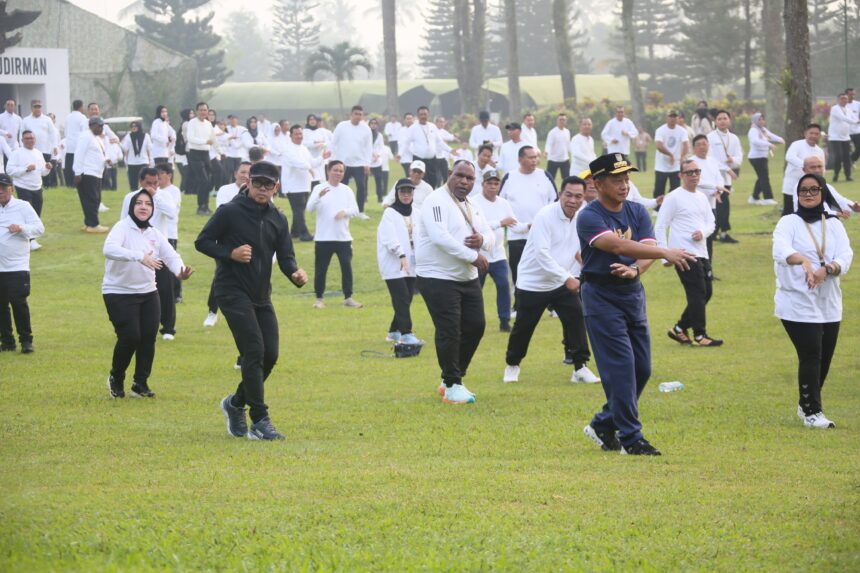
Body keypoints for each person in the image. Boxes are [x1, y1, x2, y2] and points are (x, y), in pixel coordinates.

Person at [578, 153, 696, 456]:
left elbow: (647, 247)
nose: (624, 185)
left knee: (641, 369)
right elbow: (616, 245)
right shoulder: (589, 216)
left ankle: (603, 423)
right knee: (620, 368)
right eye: (617, 179)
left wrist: (636, 270)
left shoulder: (636, 211)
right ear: (598, 183)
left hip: (631, 294)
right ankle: (631, 439)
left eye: (627, 178)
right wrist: (666, 253)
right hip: (600, 296)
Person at [195, 161, 309, 441]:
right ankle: (259, 419)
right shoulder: (229, 212)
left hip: (261, 295)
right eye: (256, 183)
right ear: (248, 183)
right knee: (254, 351)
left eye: (267, 185)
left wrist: (295, 272)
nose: (261, 189)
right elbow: (203, 241)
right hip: (231, 291)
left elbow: (285, 257)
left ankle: (235, 403)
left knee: (270, 355)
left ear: (276, 188)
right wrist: (230, 253)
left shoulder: (278, 219)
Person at [773, 173, 853, 428]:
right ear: (797, 195)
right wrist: (805, 262)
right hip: (796, 302)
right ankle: (812, 413)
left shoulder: (833, 223)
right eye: (803, 190)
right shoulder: (789, 222)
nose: (808, 194)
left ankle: (806, 401)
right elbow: (781, 250)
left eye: (814, 189)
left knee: (825, 357)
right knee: (811, 354)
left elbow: (846, 254)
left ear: (822, 193)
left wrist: (827, 269)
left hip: (829, 302)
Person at [502, 175, 599, 384]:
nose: (573, 200)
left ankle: (580, 368)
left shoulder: (582, 216)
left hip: (560, 281)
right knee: (523, 327)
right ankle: (512, 365)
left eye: (578, 196)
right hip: (533, 283)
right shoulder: (545, 215)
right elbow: (542, 254)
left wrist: (590, 268)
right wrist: (568, 278)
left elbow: (577, 249)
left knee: (576, 319)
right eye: (568, 195)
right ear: (560, 194)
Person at [417, 160, 494, 405]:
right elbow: (440, 237)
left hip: (466, 277)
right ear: (450, 174)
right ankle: (453, 385)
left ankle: (451, 378)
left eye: (470, 179)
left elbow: (491, 235)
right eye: (459, 176)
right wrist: (473, 256)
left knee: (475, 326)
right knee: (450, 330)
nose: (464, 182)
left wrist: (482, 239)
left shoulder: (472, 205)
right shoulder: (436, 200)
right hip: (437, 276)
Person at [103, 189, 193, 398]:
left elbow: (171, 255)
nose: (144, 207)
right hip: (118, 292)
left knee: (148, 337)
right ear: (132, 207)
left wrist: (180, 271)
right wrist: (138, 256)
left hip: (148, 292)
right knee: (130, 336)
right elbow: (109, 249)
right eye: (139, 203)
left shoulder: (154, 233)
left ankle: (140, 383)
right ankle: (116, 377)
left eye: (148, 204)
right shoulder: (122, 227)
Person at [657, 158, 722, 347]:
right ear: (680, 175)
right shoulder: (674, 197)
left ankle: (679, 329)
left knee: (706, 293)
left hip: (701, 252)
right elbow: (660, 226)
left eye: (696, 171)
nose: (694, 175)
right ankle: (700, 335)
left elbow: (711, 222)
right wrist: (665, 255)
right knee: (697, 293)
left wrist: (703, 232)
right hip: (683, 254)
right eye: (689, 172)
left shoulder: (702, 197)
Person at [499, 146, 557, 309]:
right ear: (520, 160)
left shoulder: (544, 175)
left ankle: (551, 305)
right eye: (530, 157)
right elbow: (500, 202)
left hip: (542, 234)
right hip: (516, 235)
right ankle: (519, 305)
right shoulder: (510, 177)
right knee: (518, 271)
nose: (534, 160)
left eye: (535, 157)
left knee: (547, 268)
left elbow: (555, 201)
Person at [307, 160, 362, 309]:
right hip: (323, 238)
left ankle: (348, 298)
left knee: (346, 268)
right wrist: (319, 196)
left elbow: (355, 210)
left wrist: (345, 212)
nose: (338, 173)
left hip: (343, 237)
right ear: (328, 171)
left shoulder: (347, 190)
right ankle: (319, 299)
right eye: (335, 170)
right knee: (321, 269)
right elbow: (309, 208)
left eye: (341, 171)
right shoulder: (319, 188)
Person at [204, 161, 252, 329]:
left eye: (249, 173)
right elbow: (222, 212)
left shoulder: (258, 191)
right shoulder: (225, 190)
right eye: (243, 172)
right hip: (226, 243)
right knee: (221, 275)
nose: (245, 175)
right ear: (235, 173)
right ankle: (212, 312)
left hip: (249, 242)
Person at [0, 173, 44, 354]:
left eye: (3, 188)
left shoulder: (22, 206)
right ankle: (7, 341)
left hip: (17, 266)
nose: (0, 192)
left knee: (19, 303)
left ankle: (26, 340)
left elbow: (39, 228)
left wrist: (21, 228)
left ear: (11, 188)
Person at [472, 169, 520, 332]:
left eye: (496, 183)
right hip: (479, 255)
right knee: (476, 290)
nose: (493, 186)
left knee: (503, 286)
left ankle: (504, 321)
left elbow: (514, 223)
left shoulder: (503, 203)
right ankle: (474, 321)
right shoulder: (474, 202)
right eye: (489, 183)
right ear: (482, 184)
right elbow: (477, 227)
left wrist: (529, 226)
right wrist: (500, 223)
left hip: (498, 255)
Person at [377, 178, 424, 344]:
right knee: (402, 297)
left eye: (409, 191)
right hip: (394, 263)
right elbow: (389, 238)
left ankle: (393, 332)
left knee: (407, 297)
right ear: (397, 194)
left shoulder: (417, 213)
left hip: (412, 263)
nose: (406, 195)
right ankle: (406, 334)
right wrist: (401, 255)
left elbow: (421, 237)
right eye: (402, 191)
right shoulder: (389, 213)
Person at [281, 124, 327, 242]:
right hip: (292, 185)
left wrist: (323, 157)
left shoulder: (304, 148)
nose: (299, 136)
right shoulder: (287, 148)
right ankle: (304, 234)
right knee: (298, 210)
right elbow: (295, 162)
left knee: (299, 209)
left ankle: (294, 232)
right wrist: (309, 167)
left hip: (304, 184)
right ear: (290, 135)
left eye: (300, 134)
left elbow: (313, 162)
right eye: (296, 134)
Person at [6, 130, 49, 250]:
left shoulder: (38, 153)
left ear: (35, 140)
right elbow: (10, 170)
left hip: (37, 187)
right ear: (22, 140)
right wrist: (25, 169)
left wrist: (48, 168)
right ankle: (30, 240)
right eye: (27, 138)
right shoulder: (17, 153)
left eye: (32, 138)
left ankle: (32, 237)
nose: (30, 140)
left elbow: (43, 172)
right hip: (23, 186)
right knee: (26, 214)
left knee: (36, 213)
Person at [690, 135, 727, 262]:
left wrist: (718, 189)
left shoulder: (712, 161)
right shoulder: (691, 162)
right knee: (699, 238)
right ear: (694, 148)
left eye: (704, 144)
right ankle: (699, 267)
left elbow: (719, 178)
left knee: (710, 237)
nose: (702, 147)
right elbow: (697, 181)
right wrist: (714, 188)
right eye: (698, 144)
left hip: (712, 205)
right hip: (697, 206)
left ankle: (708, 269)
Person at [707, 110, 743, 243]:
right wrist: (727, 169)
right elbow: (710, 158)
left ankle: (721, 232)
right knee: (717, 206)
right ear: (715, 121)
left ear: (729, 120)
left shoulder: (734, 138)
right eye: (719, 119)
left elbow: (739, 157)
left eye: (725, 118)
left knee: (724, 206)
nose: (722, 121)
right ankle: (717, 232)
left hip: (727, 179)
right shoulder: (710, 137)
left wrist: (732, 160)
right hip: (713, 178)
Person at [332, 105, 373, 219]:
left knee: (361, 186)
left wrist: (367, 163)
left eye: (360, 114)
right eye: (356, 114)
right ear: (351, 114)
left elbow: (368, 147)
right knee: (342, 187)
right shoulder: (342, 126)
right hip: (343, 163)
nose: (358, 116)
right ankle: (343, 210)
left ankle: (360, 211)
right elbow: (333, 143)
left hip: (359, 164)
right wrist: (335, 160)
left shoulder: (366, 128)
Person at [73, 116, 111, 233]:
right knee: (92, 200)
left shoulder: (96, 138)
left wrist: (105, 160)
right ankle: (94, 225)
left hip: (96, 173)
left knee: (94, 199)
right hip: (88, 173)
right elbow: (79, 154)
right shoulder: (86, 136)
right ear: (91, 126)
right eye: (98, 126)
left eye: (102, 126)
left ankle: (89, 223)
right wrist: (78, 172)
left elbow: (96, 154)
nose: (101, 128)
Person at [399, 106, 449, 189]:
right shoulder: (413, 128)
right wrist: (399, 154)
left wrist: (450, 150)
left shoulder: (432, 126)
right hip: (419, 159)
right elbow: (405, 143)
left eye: (425, 114)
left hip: (432, 159)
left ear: (428, 115)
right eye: (421, 114)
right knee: (419, 181)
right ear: (418, 116)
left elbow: (439, 141)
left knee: (434, 181)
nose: (423, 116)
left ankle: (431, 199)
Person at [782, 124, 825, 216]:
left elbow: (822, 168)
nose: (813, 135)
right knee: (788, 213)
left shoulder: (820, 151)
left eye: (816, 134)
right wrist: (807, 166)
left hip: (810, 190)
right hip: (791, 185)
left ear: (819, 136)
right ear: (806, 133)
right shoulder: (797, 144)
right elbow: (789, 157)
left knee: (807, 214)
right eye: (811, 133)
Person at [747, 112, 784, 206]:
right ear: (755, 121)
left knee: (761, 177)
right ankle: (768, 198)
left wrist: (780, 139)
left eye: (762, 119)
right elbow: (755, 141)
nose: (762, 121)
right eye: (759, 119)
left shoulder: (763, 130)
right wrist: (769, 144)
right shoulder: (753, 130)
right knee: (764, 177)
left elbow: (771, 135)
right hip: (756, 157)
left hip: (762, 157)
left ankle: (754, 197)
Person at [653, 110, 690, 200]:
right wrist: (670, 155)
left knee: (675, 188)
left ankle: (671, 205)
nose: (673, 118)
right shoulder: (660, 130)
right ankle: (657, 208)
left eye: (675, 116)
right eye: (671, 116)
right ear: (667, 118)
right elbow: (658, 145)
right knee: (659, 189)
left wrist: (682, 156)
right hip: (661, 165)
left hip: (676, 166)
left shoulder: (682, 131)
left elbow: (686, 145)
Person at [21, 100, 59, 188]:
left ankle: (47, 186)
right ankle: (33, 185)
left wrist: (55, 146)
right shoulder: (26, 120)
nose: (38, 109)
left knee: (45, 167)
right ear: (31, 108)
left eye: (39, 107)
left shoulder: (47, 119)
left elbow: (53, 133)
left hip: (45, 149)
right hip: (30, 150)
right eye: (35, 107)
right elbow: (21, 135)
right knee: (33, 168)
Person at [186, 102, 215, 215]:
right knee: (203, 180)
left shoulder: (208, 124)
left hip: (205, 154)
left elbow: (213, 139)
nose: (203, 112)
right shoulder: (192, 123)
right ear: (197, 111)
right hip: (195, 154)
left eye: (205, 110)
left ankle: (206, 206)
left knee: (208, 181)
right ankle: (200, 207)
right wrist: (204, 141)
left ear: (207, 111)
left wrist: (220, 152)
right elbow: (190, 138)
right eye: (201, 110)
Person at [827, 93, 858, 182]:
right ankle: (836, 174)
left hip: (846, 137)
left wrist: (857, 120)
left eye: (846, 98)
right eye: (842, 98)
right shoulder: (835, 109)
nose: (844, 100)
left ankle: (848, 176)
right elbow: (843, 118)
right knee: (839, 156)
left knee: (847, 157)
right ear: (838, 100)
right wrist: (856, 122)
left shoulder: (848, 109)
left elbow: (854, 117)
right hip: (835, 137)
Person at [121, 121, 152, 191]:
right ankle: (134, 198)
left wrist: (150, 160)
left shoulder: (146, 136)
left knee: (145, 182)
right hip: (132, 163)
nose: (133, 128)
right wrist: (118, 143)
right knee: (133, 183)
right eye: (132, 127)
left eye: (135, 126)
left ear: (139, 127)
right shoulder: (128, 136)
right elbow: (125, 148)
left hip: (143, 161)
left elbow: (149, 149)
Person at [63, 100, 88, 182]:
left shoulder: (68, 117)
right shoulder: (82, 117)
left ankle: (69, 182)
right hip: (78, 144)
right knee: (78, 164)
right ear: (81, 107)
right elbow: (84, 131)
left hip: (69, 144)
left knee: (69, 164)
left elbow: (65, 131)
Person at [544, 113, 571, 183]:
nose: (562, 121)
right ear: (557, 121)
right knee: (550, 180)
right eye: (560, 119)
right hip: (553, 159)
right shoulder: (552, 132)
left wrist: (571, 152)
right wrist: (546, 152)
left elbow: (568, 145)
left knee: (567, 180)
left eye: (564, 120)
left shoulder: (567, 132)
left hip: (565, 159)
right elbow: (548, 144)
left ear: (566, 121)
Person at [368, 118, 388, 202]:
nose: (373, 125)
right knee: (364, 181)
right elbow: (365, 146)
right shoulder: (367, 134)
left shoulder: (379, 135)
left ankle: (380, 198)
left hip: (377, 161)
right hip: (368, 161)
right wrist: (372, 154)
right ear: (369, 125)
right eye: (371, 123)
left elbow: (381, 146)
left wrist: (378, 155)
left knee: (379, 180)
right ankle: (364, 197)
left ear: (377, 125)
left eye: (375, 123)